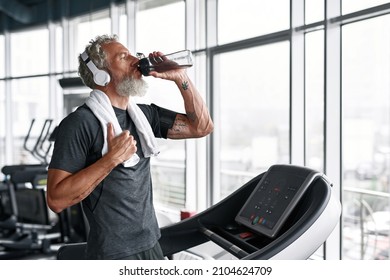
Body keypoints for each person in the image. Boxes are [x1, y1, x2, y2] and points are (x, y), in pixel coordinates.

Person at [46, 34, 213, 260]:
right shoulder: (80, 123)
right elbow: (56, 200)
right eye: (124, 57)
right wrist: (111, 160)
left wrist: (180, 78)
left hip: (152, 244)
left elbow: (201, 127)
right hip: (113, 254)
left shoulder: (143, 116)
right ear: (101, 74)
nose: (136, 60)